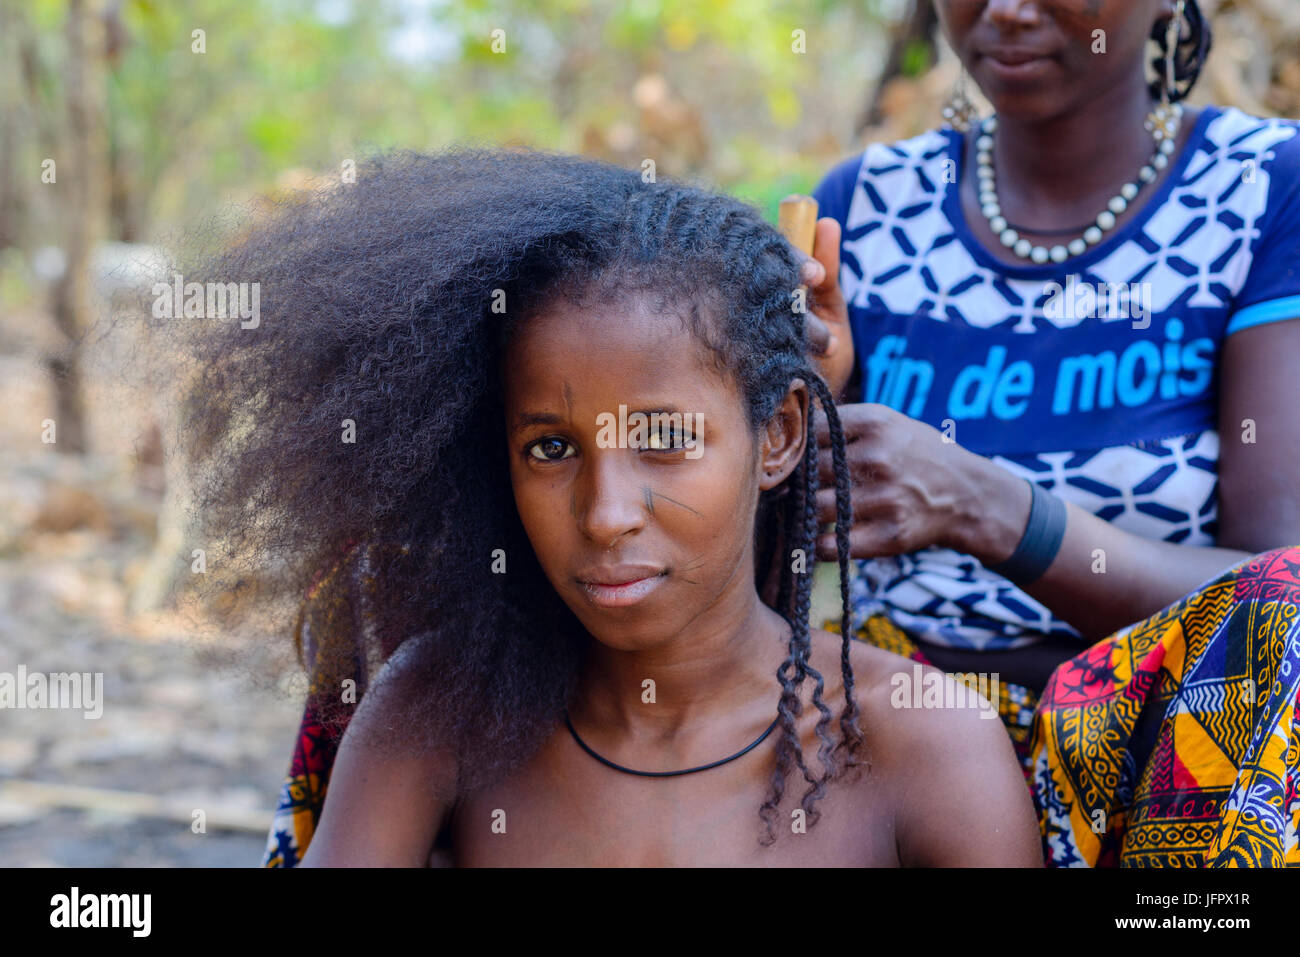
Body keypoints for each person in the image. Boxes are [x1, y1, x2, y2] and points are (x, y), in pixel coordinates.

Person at [176, 148, 1041, 866]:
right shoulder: (442, 711)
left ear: (779, 436)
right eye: (551, 448)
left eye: (664, 437)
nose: (605, 514)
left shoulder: (922, 748)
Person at [799, 0, 1300, 865]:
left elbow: (1274, 591)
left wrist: (991, 508)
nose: (1006, 10)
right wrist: (804, 412)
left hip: (1172, 756)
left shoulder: (1262, 189)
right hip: (901, 739)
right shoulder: (866, 205)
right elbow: (772, 561)